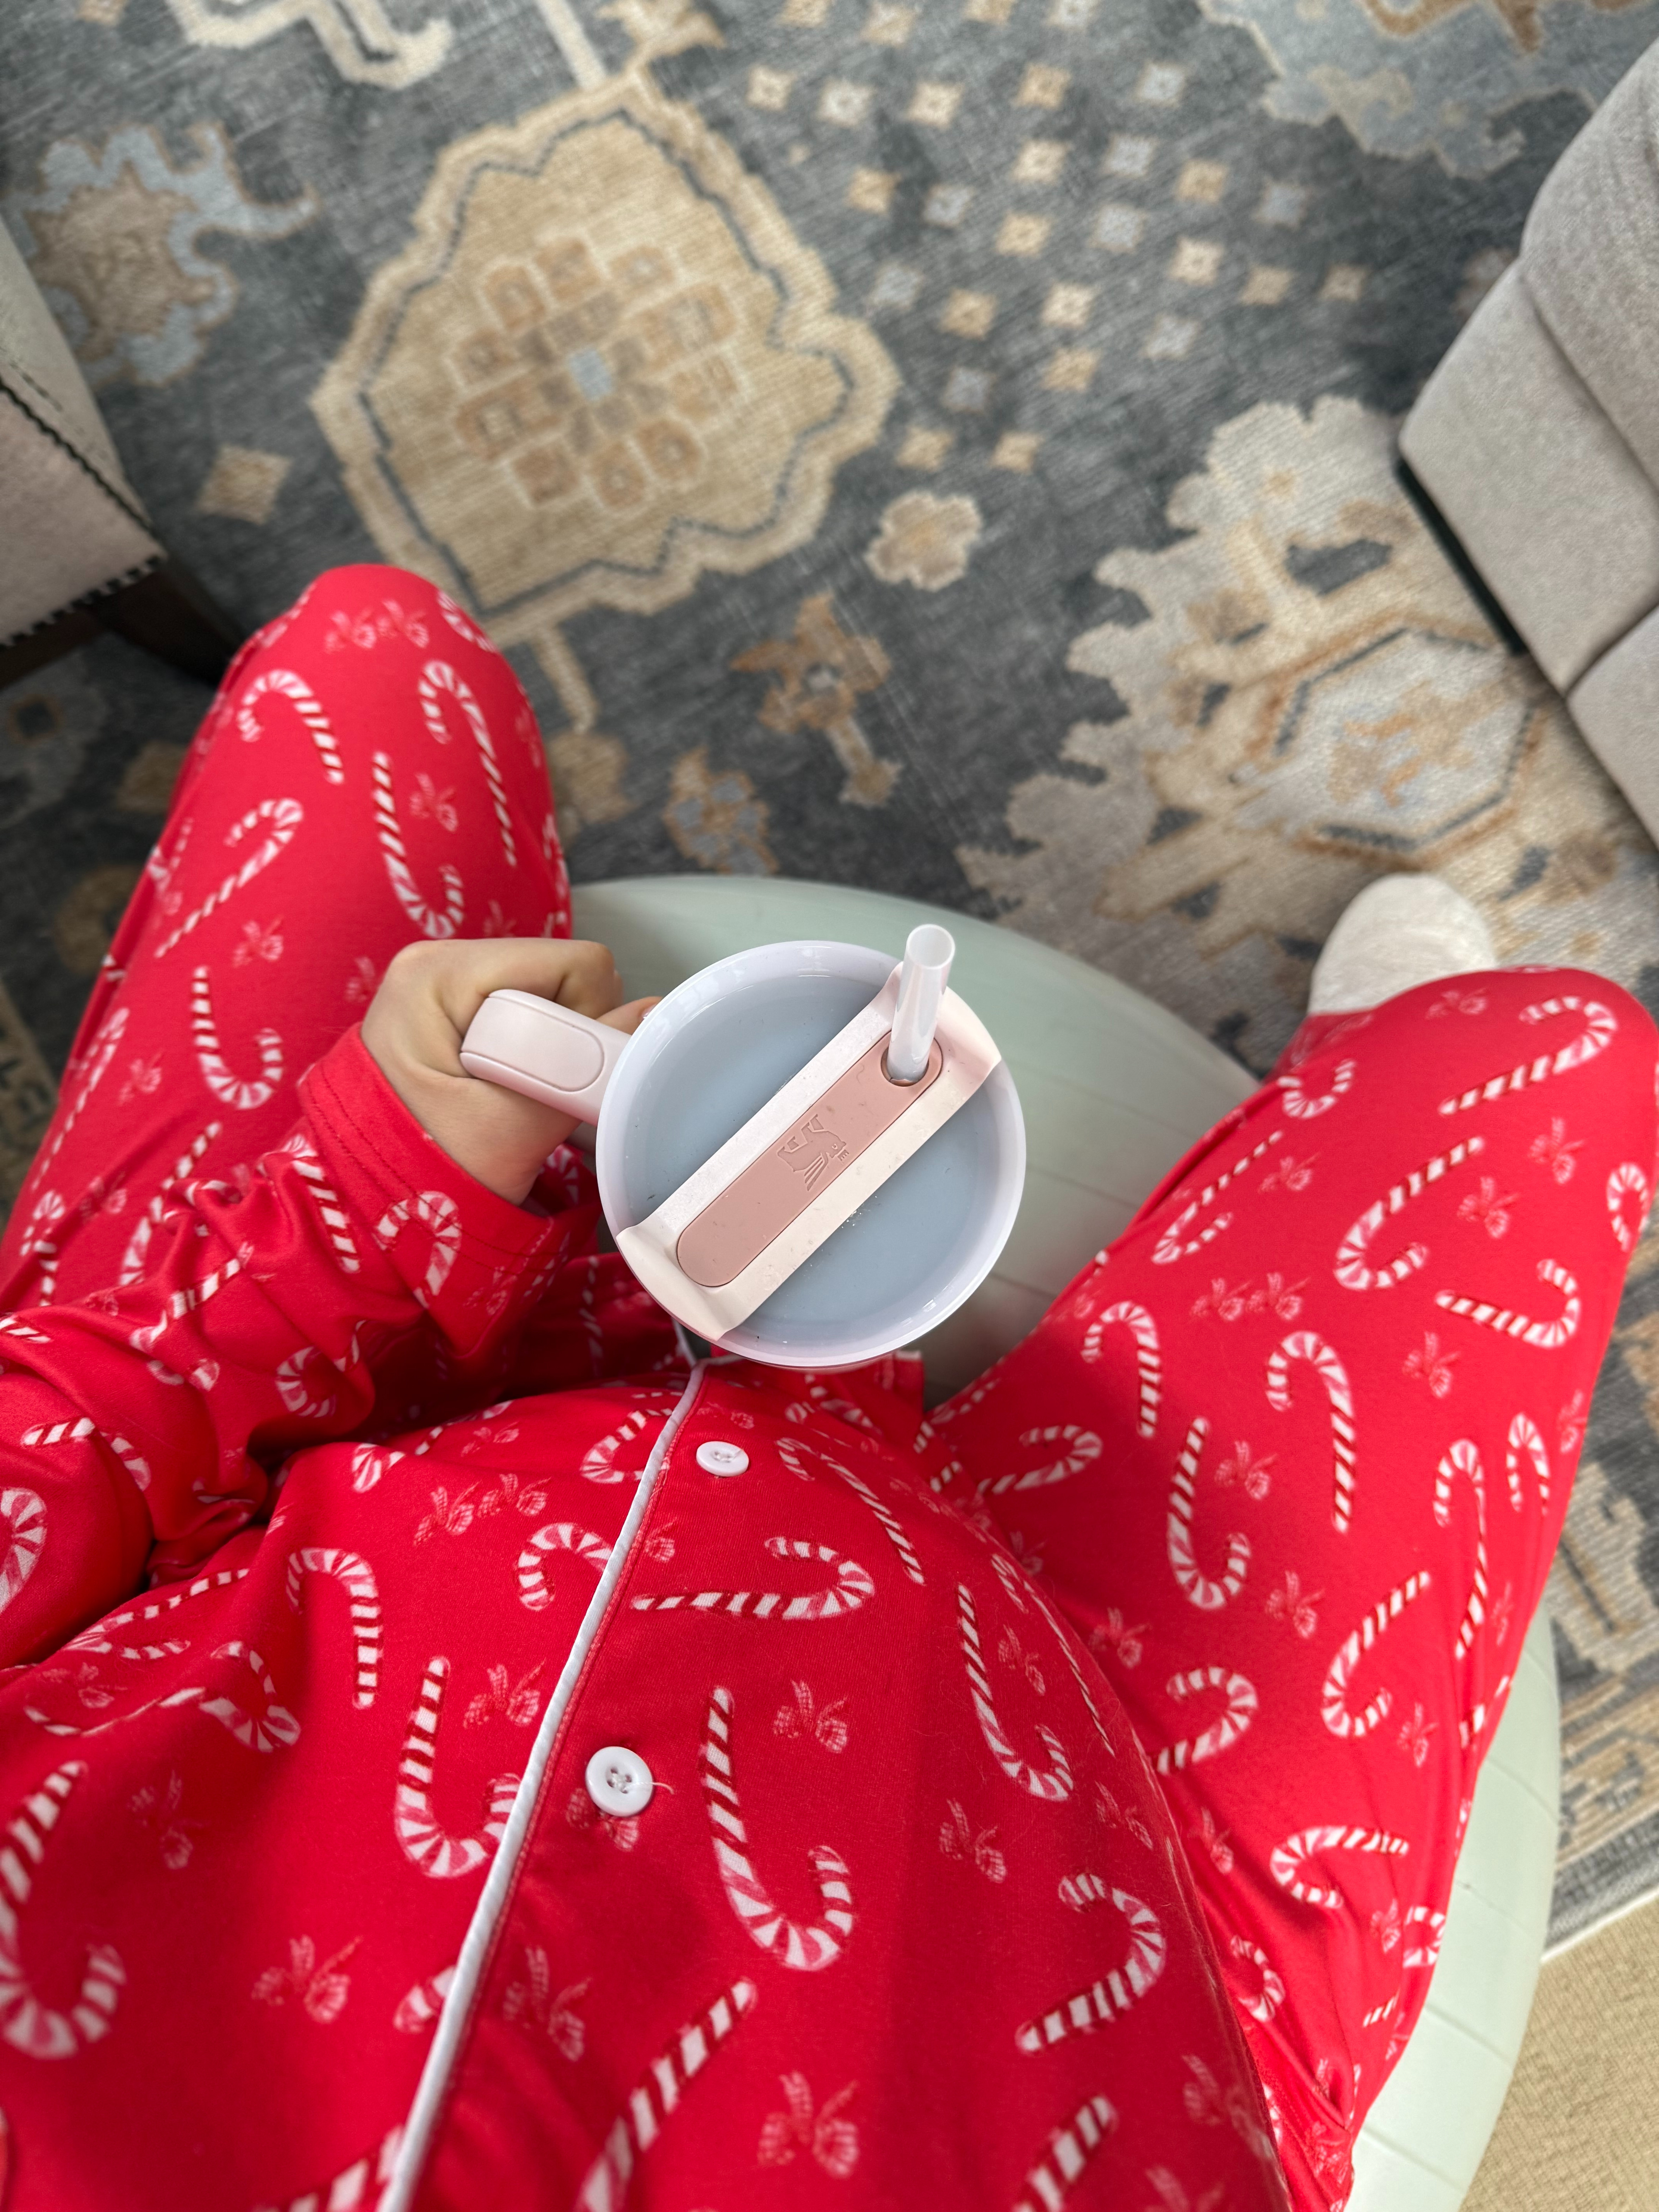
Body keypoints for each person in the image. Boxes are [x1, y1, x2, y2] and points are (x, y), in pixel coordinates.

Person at [0, 565, 1649, 2212]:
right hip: (1105, 1885)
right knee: (1558, 1069)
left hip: (351, 1454)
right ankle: (1366, 1080)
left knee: (376, 657)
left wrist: (357, 1208)